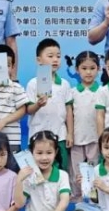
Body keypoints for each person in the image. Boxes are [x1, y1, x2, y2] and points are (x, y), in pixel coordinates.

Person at [11, 131, 87, 211]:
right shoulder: (28, 176)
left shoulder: (62, 175)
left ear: (55, 152)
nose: (44, 157)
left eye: (49, 153)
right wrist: (19, 180)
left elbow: (64, 203)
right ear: (31, 153)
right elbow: (19, 204)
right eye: (39, 153)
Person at [26, 38, 74, 169]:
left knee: (61, 170)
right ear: (39, 60)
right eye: (50, 56)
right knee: (37, 172)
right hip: (37, 135)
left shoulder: (64, 84)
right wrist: (38, 104)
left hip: (60, 136)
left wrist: (70, 133)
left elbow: (69, 110)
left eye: (58, 56)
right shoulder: (33, 84)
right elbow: (28, 110)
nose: (55, 60)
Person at [68, 51, 102, 201]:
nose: (88, 72)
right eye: (84, 68)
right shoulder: (72, 92)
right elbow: (69, 115)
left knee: (93, 168)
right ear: (77, 70)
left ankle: (93, 197)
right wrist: (70, 134)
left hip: (95, 138)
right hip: (76, 138)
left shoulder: (102, 91)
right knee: (76, 170)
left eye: (92, 68)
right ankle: (77, 197)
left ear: (99, 69)